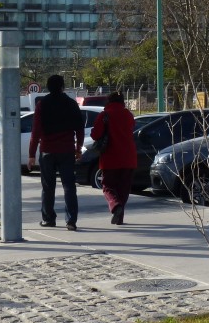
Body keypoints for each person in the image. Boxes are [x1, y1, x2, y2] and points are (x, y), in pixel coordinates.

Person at [28, 75, 84, 231]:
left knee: (47, 187)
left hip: (47, 150)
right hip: (66, 149)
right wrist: (78, 148)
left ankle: (48, 218)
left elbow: (36, 131)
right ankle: (71, 220)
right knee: (69, 186)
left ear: (47, 86)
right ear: (62, 87)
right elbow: (79, 128)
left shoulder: (42, 104)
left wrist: (32, 154)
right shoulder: (71, 104)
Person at [91, 92, 136, 225]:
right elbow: (132, 127)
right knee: (124, 188)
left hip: (111, 157)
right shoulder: (128, 114)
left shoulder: (105, 115)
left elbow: (95, 134)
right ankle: (120, 217)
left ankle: (115, 206)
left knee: (108, 186)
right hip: (129, 157)